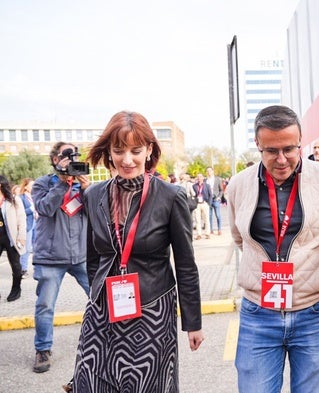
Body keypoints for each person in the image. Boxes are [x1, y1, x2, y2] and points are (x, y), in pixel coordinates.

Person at [70, 110, 203, 392]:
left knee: (147, 383)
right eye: (118, 150)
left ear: (149, 150)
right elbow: (93, 258)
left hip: (153, 309)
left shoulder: (170, 196)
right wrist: (97, 297)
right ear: (109, 152)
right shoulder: (94, 194)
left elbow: (186, 265)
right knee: (91, 379)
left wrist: (193, 322)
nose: (127, 159)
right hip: (104, 310)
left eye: (135, 150)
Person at [227, 105, 319, 393]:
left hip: (314, 312)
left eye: (290, 149)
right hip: (258, 313)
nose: (281, 159)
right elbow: (240, 238)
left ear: (301, 141)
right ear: (258, 145)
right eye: (271, 151)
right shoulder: (239, 184)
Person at [32, 142, 91, 373]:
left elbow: (99, 213)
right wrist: (62, 184)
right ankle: (43, 349)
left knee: (99, 299)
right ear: (55, 159)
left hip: (82, 255)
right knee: (45, 305)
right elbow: (45, 208)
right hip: (50, 258)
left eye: (74, 155)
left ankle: (112, 340)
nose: (70, 159)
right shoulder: (42, 184)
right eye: (66, 155)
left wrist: (88, 191)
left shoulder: (83, 183)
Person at [0, 175, 26, 301]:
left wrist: (21, 237)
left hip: (10, 237)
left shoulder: (13, 200)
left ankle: (16, 290)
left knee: (16, 265)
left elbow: (21, 219)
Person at [18, 177, 36, 278]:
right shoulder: (21, 198)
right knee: (26, 248)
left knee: (37, 248)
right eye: (31, 185)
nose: (33, 187)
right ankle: (23, 269)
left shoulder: (35, 196)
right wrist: (30, 209)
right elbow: (21, 213)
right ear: (25, 187)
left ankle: (38, 269)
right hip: (28, 225)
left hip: (37, 223)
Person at [192, 173, 211, 240]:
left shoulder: (207, 186)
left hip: (205, 203)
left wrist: (209, 203)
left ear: (203, 178)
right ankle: (199, 234)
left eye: (200, 177)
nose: (199, 178)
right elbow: (193, 195)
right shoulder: (194, 186)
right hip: (197, 204)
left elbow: (210, 195)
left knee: (206, 219)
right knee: (197, 220)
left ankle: (207, 233)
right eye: (198, 177)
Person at [205, 166, 224, 234]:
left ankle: (219, 229)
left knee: (218, 215)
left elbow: (221, 190)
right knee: (209, 216)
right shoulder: (205, 180)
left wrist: (219, 197)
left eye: (210, 170)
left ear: (213, 171)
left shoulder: (217, 179)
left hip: (216, 199)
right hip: (208, 200)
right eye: (207, 171)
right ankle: (211, 229)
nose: (209, 172)